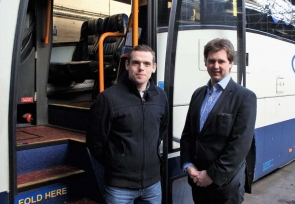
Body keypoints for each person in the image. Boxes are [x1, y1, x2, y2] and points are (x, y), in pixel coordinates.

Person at [87, 44, 169, 204]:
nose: (141, 68)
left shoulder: (161, 97)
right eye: (136, 63)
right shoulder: (108, 99)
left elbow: (162, 130)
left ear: (154, 67)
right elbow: (94, 143)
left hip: (153, 184)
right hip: (119, 188)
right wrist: (116, 162)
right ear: (127, 65)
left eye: (146, 64)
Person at [180, 38, 257, 204]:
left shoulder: (244, 97)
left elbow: (240, 145)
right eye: (211, 61)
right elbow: (188, 134)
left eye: (221, 61)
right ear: (205, 63)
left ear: (231, 63)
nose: (216, 66)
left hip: (225, 187)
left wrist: (211, 175)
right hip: (197, 181)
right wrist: (188, 165)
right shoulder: (198, 94)